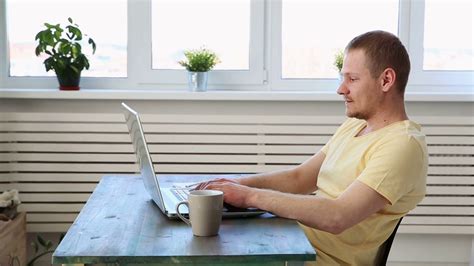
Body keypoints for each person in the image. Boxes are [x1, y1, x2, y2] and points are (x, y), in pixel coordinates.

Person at [197, 30, 428, 265]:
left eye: (352, 79)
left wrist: (250, 196)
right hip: (289, 242)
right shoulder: (354, 126)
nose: (341, 89)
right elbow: (300, 178)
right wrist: (235, 184)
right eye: (342, 78)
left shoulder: (402, 145)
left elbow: (338, 216)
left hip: (315, 259)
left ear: (386, 80)